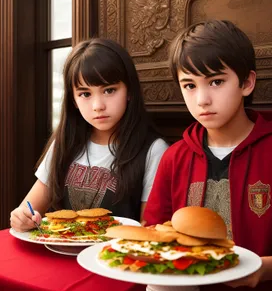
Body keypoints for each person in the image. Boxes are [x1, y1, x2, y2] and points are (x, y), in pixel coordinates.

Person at [144, 20, 272, 291]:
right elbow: (154, 232)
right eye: (189, 85)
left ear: (247, 82)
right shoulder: (174, 157)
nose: (202, 99)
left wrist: (261, 270)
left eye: (216, 81)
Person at [10, 38, 168, 232]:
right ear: (74, 100)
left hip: (111, 258)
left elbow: (148, 229)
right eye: (85, 94)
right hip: (59, 253)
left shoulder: (153, 150)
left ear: (129, 91)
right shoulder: (65, 143)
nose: (98, 106)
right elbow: (30, 209)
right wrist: (22, 218)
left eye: (109, 90)